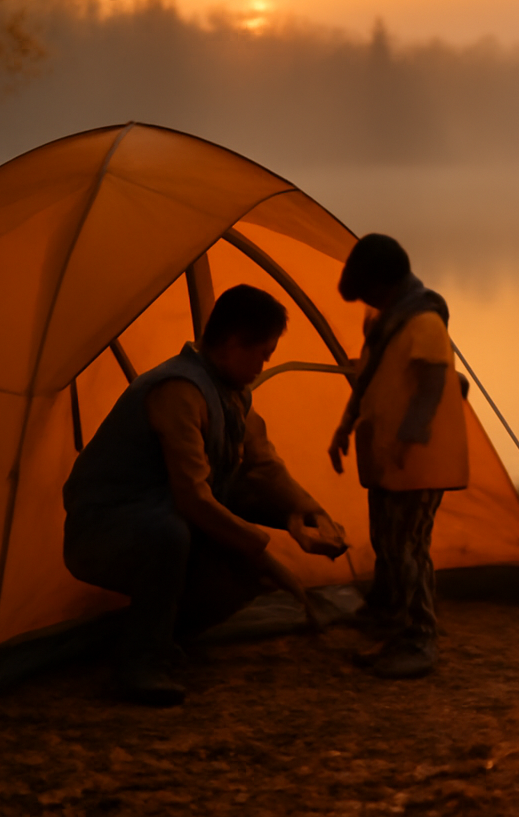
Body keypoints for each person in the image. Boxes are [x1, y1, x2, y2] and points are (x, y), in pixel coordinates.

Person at [63, 284, 347, 706]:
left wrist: (310, 512)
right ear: (233, 344)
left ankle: (162, 634)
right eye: (262, 352)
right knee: (172, 533)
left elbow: (263, 466)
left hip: (160, 515)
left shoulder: (232, 394)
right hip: (104, 530)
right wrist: (265, 554)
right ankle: (139, 663)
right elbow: (193, 498)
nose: (265, 362)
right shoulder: (178, 391)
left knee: (243, 511)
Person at [329, 234, 469, 680]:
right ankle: (389, 612)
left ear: (385, 284)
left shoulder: (424, 323)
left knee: (410, 546)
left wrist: (411, 436)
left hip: (419, 460)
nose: (365, 301)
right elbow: (367, 379)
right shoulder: (385, 320)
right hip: (388, 457)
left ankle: (419, 636)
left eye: (368, 291)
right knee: (386, 540)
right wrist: (346, 426)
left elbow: (432, 385)